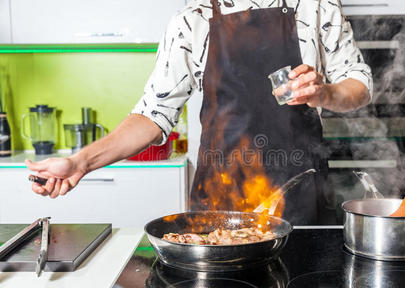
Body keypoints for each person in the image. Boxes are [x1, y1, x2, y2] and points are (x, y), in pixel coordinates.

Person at [26, 0, 372, 225]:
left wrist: (325, 92)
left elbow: (359, 85)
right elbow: (153, 114)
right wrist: (80, 162)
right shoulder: (191, 22)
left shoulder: (317, 9)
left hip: (300, 200)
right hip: (220, 204)